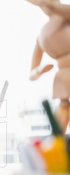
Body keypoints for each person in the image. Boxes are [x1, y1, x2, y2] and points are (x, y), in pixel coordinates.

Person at [27, 0, 70, 131]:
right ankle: (57, 145)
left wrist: (54, 6)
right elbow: (32, 73)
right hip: (62, 76)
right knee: (63, 109)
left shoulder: (65, 16)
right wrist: (39, 70)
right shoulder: (42, 34)